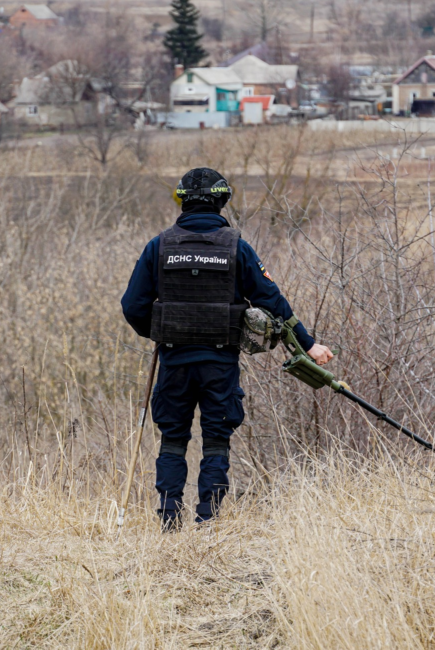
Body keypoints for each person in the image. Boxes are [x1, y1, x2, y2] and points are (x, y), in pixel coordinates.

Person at [121, 167, 334, 530]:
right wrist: (309, 345)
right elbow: (272, 301)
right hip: (220, 362)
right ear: (222, 201)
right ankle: (209, 522)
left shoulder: (159, 246)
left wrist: (161, 331)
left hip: (174, 360)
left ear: (182, 201)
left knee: (173, 438)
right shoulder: (236, 247)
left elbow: (132, 306)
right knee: (216, 440)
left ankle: (170, 520)